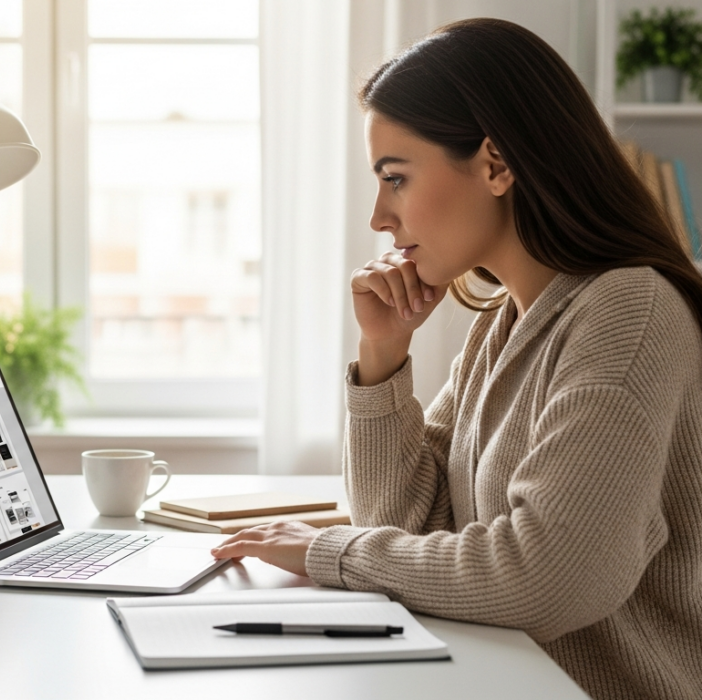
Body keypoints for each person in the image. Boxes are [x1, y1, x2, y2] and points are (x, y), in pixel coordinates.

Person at [210, 18, 702, 700]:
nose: (380, 216)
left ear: (496, 165)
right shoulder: (506, 324)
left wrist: (328, 553)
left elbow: (549, 578)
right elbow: (398, 524)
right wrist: (382, 355)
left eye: (397, 178)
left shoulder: (628, 314)